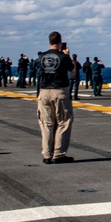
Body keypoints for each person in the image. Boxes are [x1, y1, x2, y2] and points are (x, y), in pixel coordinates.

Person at [37, 31, 74, 164]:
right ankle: (58, 154)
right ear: (60, 42)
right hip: (59, 91)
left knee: (46, 124)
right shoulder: (63, 57)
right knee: (63, 122)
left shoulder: (41, 57)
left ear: (49, 41)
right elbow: (71, 69)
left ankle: (47, 154)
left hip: (44, 91)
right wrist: (67, 55)